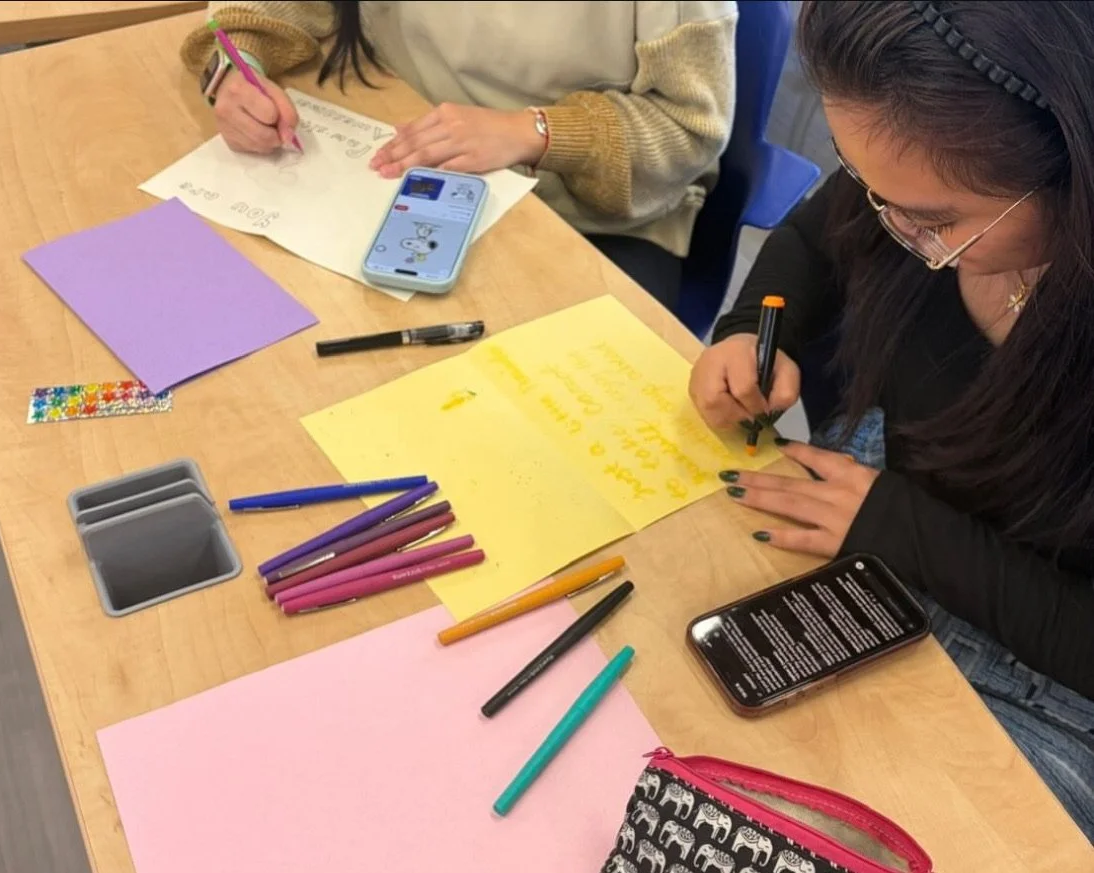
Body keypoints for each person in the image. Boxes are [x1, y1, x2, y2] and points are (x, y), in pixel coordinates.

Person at [691, 0, 1094, 840]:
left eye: (935, 222)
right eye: (863, 177)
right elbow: (816, 229)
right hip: (888, 516)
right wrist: (753, 327)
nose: (888, 222)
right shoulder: (918, 182)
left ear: (1073, 168)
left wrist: (896, 527)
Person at [180, 1, 738, 310]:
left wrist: (538, 132)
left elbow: (689, 128)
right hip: (394, 166)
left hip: (587, 220)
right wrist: (234, 68)